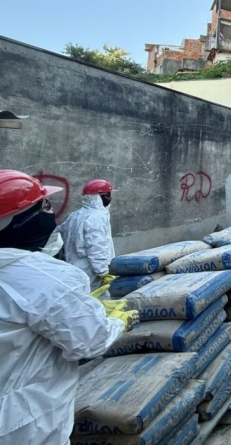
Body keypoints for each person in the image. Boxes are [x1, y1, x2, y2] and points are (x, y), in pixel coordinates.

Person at [0, 170, 134, 445]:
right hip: (27, 422)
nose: (51, 212)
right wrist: (116, 321)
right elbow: (89, 341)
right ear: (24, 220)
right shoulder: (47, 280)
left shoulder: (76, 217)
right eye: (45, 206)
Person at [58, 179, 116, 289]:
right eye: (108, 195)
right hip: (91, 270)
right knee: (97, 300)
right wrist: (103, 272)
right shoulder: (96, 218)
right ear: (98, 197)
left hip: (74, 266)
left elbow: (60, 231)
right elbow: (96, 247)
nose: (110, 198)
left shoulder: (75, 215)